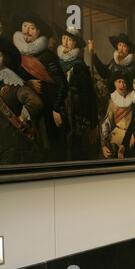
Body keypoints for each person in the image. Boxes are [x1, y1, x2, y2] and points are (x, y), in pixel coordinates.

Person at [13, 15, 69, 162]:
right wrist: (28, 83)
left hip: (50, 109)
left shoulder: (47, 56)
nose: (27, 31)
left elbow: (63, 84)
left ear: (38, 33)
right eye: (25, 26)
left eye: (32, 28)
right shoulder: (17, 56)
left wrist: (56, 109)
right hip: (30, 109)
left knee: (53, 152)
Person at [0, 37, 46, 164]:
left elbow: (36, 102)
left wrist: (22, 118)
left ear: (5, 59)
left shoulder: (13, 82)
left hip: (10, 143)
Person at [57, 27, 98, 161]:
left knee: (75, 143)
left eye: (70, 40)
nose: (66, 42)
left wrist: (92, 120)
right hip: (60, 108)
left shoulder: (79, 66)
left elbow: (89, 93)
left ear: (75, 44)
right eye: (64, 38)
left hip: (76, 110)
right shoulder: (57, 62)